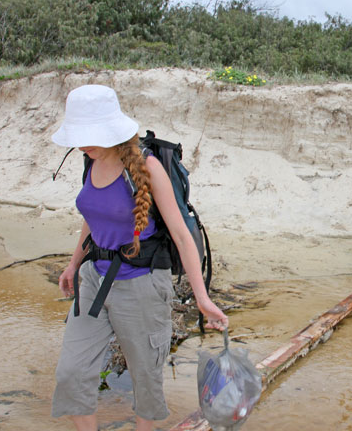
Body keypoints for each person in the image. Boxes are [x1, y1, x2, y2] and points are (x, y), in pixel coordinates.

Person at [50, 84, 228, 431]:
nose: (81, 143)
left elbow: (180, 234)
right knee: (72, 373)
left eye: (88, 134)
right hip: (94, 282)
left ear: (109, 129)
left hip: (142, 286)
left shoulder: (146, 167)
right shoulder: (92, 158)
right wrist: (74, 264)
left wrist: (202, 298)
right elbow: (92, 217)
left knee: (146, 380)